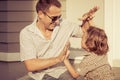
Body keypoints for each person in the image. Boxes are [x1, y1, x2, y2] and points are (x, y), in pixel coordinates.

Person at [20, 0, 97, 80]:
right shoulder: (27, 33)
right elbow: (31, 65)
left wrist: (87, 21)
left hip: (61, 73)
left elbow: (85, 32)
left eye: (59, 17)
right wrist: (58, 59)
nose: (57, 21)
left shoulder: (65, 25)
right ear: (40, 14)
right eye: (54, 18)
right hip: (37, 76)